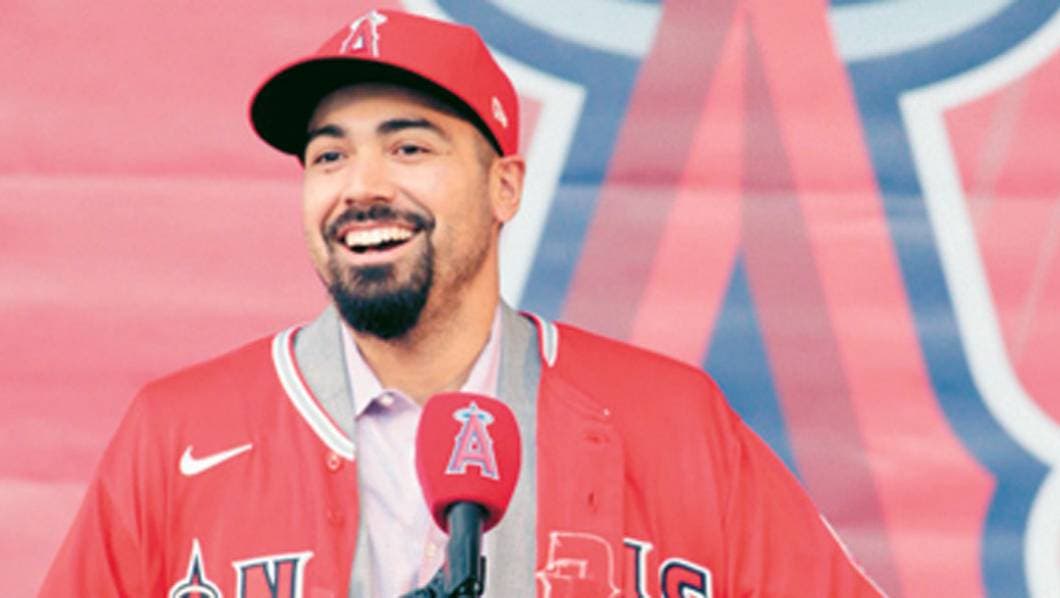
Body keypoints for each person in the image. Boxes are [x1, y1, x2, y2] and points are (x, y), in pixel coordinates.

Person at [41, 8, 883, 597]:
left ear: (503, 186)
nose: (361, 188)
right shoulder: (178, 435)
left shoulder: (672, 421)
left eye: (409, 147)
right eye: (328, 157)